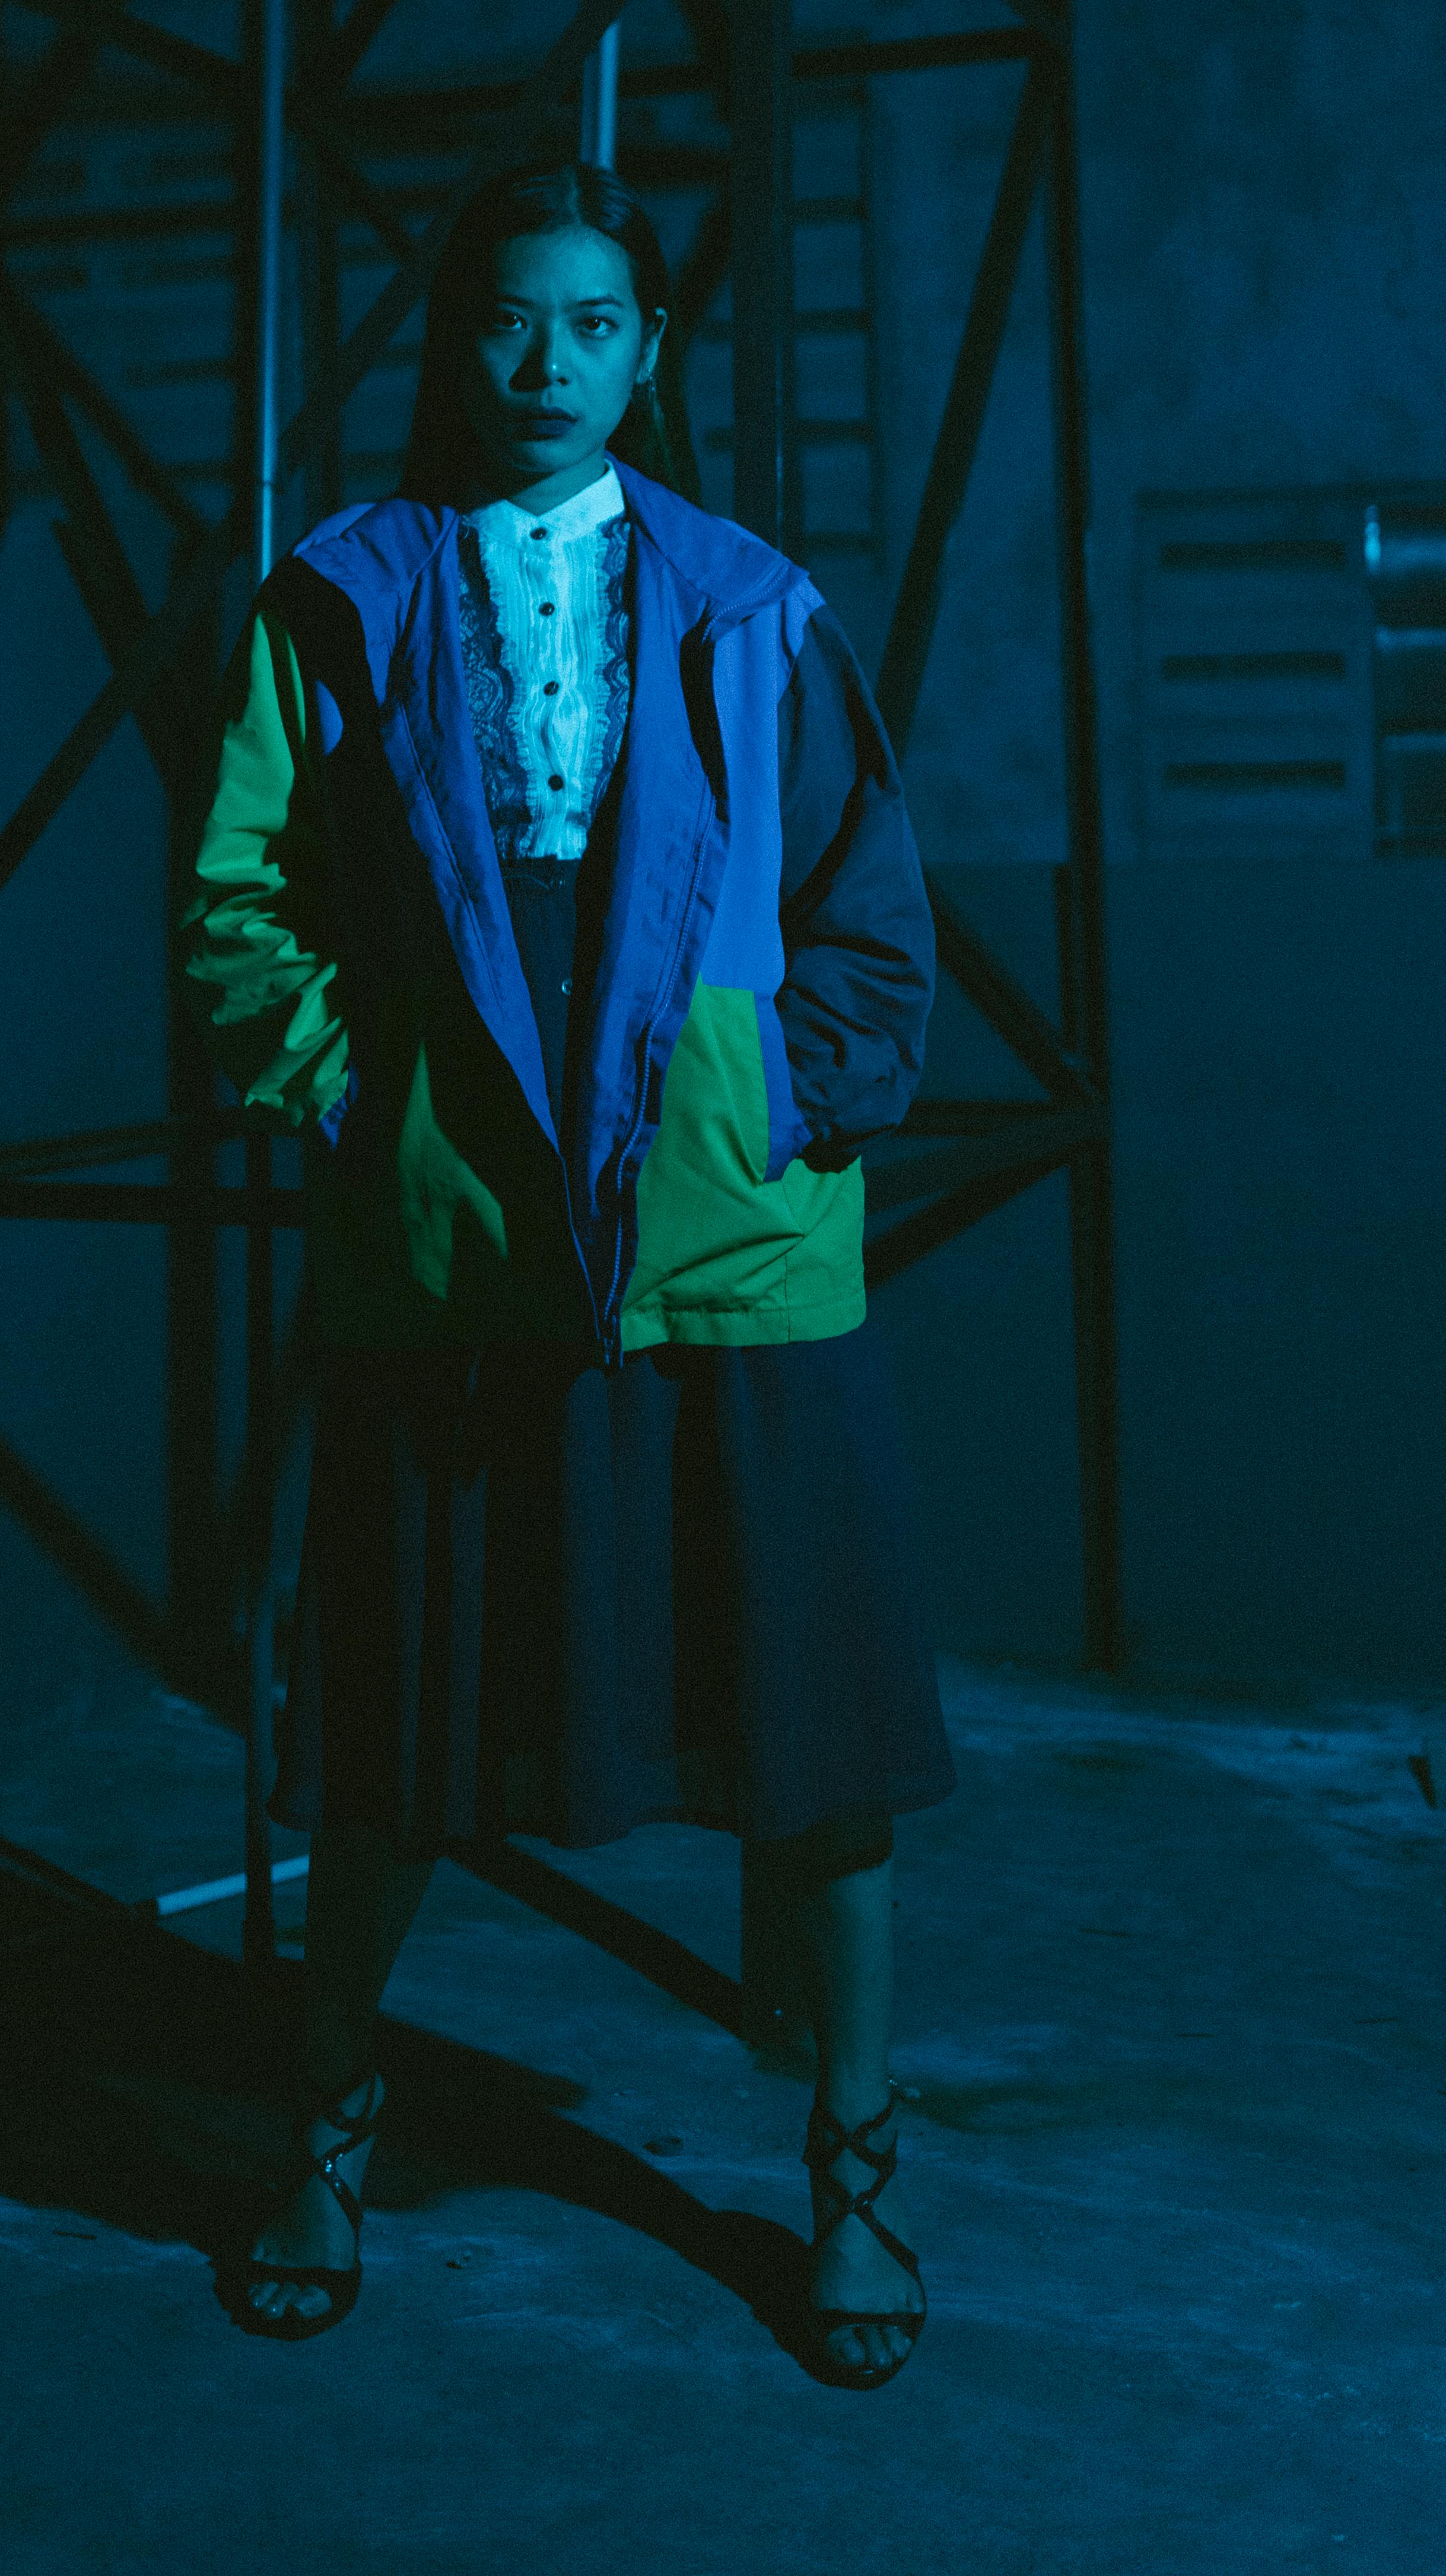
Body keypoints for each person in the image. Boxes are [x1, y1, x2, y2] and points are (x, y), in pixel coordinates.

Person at [177, 159, 951, 2387]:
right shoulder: (337, 600)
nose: (543, 363)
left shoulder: (749, 604)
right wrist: (361, 1103)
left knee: (819, 1755)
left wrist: (768, 1116)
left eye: (590, 325)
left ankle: (857, 2181)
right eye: (508, 320)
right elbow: (240, 905)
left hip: (727, 1269)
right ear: (457, 336)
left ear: (646, 350)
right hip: (456, 1263)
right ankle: (323, 2146)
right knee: (398, 1753)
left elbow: (870, 929)